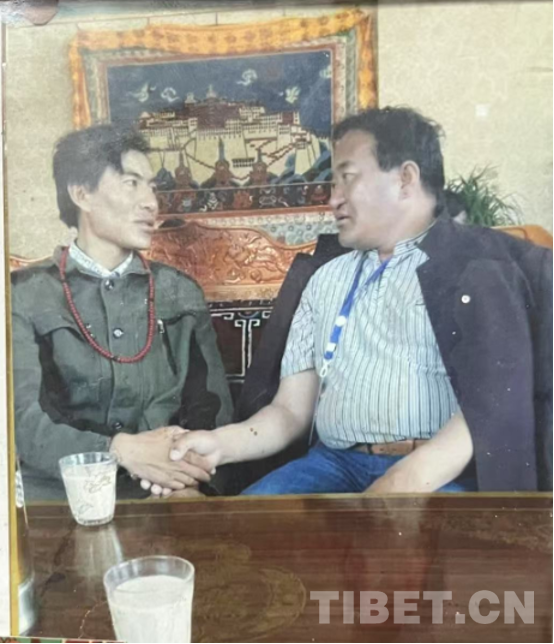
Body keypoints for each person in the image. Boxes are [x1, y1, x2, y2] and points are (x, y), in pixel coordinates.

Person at [159, 106, 553, 496]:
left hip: (436, 475)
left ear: (405, 179)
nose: (333, 200)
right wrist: (221, 445)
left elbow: (491, 408)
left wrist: (398, 484)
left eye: (347, 179)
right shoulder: (324, 279)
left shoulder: (480, 268)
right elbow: (290, 411)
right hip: (333, 465)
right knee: (241, 529)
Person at [12, 124, 232, 501]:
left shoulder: (179, 292)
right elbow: (19, 423)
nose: (152, 203)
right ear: (81, 194)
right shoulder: (23, 294)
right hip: (57, 496)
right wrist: (119, 450)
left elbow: (212, 410)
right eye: (131, 183)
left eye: (152, 187)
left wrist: (193, 483)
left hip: (165, 492)